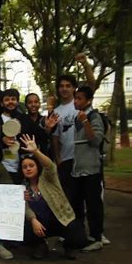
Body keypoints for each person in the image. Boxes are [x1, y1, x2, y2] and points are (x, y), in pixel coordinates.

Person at [19, 134, 87, 259]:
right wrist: (33, 220)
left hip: (60, 219)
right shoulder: (23, 187)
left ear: (37, 167)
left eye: (31, 165)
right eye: (25, 167)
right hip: (41, 224)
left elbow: (50, 166)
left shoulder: (48, 178)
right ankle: (40, 245)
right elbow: (26, 208)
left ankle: (68, 246)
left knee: (80, 239)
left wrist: (35, 151)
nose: (28, 169)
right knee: (23, 231)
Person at [71, 86, 106, 252]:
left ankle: (97, 237)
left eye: (79, 98)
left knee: (93, 205)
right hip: (77, 169)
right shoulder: (77, 117)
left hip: (91, 169)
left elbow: (96, 140)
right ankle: (81, 237)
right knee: (78, 205)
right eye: (75, 98)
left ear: (88, 100)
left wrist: (86, 121)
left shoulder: (94, 116)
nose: (76, 101)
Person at [51, 74, 78, 204]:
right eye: (61, 86)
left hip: (82, 158)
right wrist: (58, 158)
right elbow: (55, 137)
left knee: (85, 196)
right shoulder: (56, 111)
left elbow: (92, 83)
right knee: (69, 196)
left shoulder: (80, 104)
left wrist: (84, 64)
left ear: (74, 88)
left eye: (68, 86)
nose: (64, 89)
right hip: (65, 160)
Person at [25, 93, 59, 157]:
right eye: (30, 102)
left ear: (39, 104)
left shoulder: (44, 120)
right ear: (26, 105)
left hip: (44, 156)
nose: (33, 105)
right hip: (27, 157)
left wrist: (48, 128)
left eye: (36, 102)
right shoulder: (21, 120)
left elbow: (49, 136)